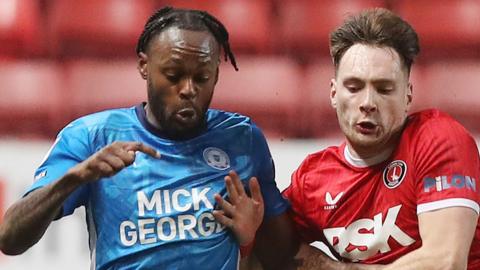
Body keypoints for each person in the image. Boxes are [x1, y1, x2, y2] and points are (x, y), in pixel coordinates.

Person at [0, 6, 289, 270]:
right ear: (144, 66)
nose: (188, 89)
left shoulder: (242, 139)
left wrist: (251, 236)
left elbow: (285, 255)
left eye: (201, 78)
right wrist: (75, 177)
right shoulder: (92, 137)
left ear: (216, 74)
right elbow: (10, 238)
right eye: (173, 75)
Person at [264, 8, 480, 270]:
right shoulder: (311, 181)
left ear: (407, 96)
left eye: (384, 89)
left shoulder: (438, 140)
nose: (367, 103)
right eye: (354, 88)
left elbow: (446, 262)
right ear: (333, 93)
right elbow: (276, 252)